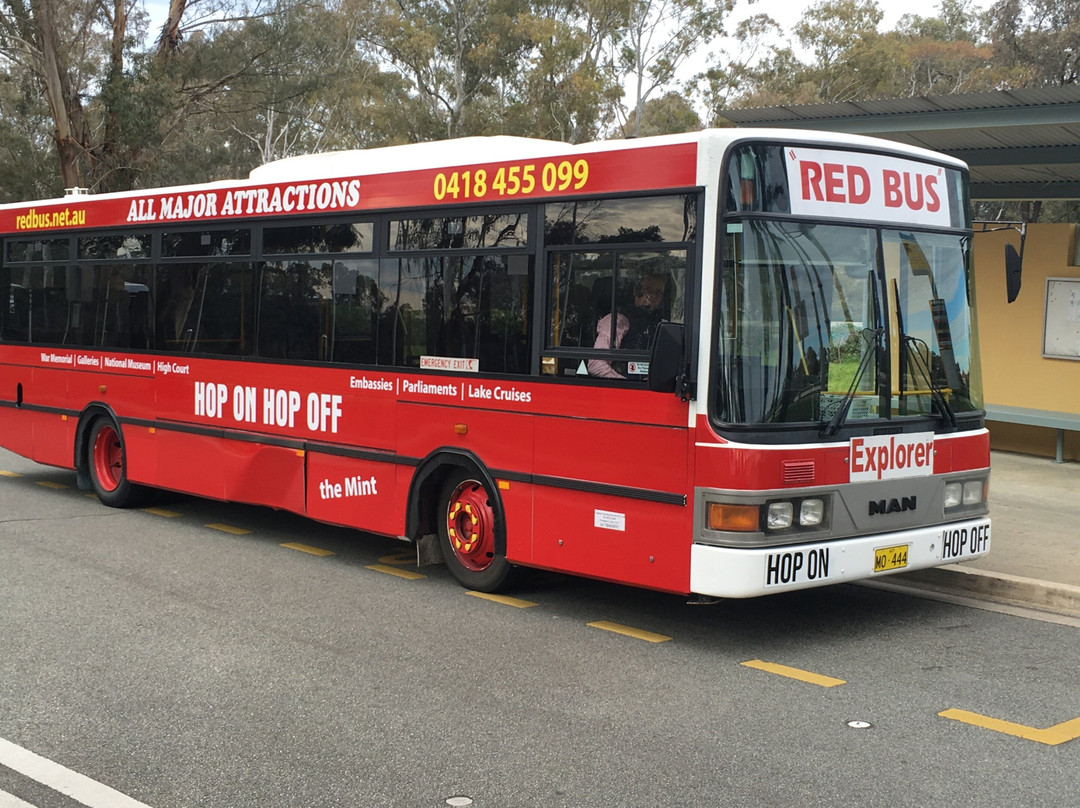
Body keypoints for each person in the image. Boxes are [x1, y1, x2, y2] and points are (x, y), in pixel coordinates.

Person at [588, 272, 667, 379]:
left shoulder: (658, 324)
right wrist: (628, 384)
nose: (652, 297)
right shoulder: (617, 320)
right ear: (636, 291)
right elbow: (596, 364)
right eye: (648, 290)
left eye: (658, 293)